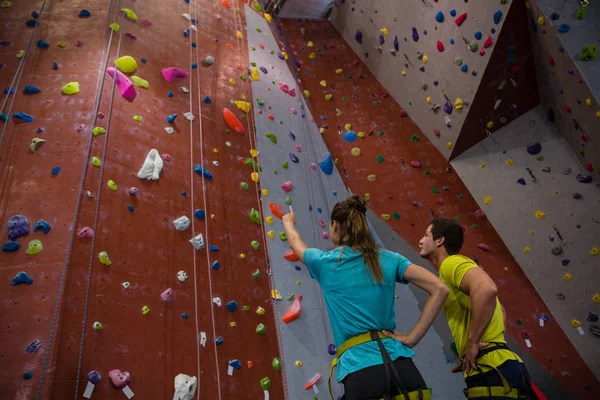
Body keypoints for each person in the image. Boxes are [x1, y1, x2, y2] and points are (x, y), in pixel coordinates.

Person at [282, 195, 449, 400]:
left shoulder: (325, 263)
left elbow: (295, 242)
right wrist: (412, 338)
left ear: (335, 225)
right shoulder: (390, 259)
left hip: (361, 373)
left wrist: (288, 223)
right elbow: (440, 288)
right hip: (402, 367)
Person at [389, 217, 537, 399]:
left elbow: (487, 290)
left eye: (426, 235)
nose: (420, 240)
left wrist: (474, 343)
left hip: (491, 368)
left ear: (439, 240)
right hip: (503, 365)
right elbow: (501, 311)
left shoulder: (451, 264)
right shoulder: (455, 273)